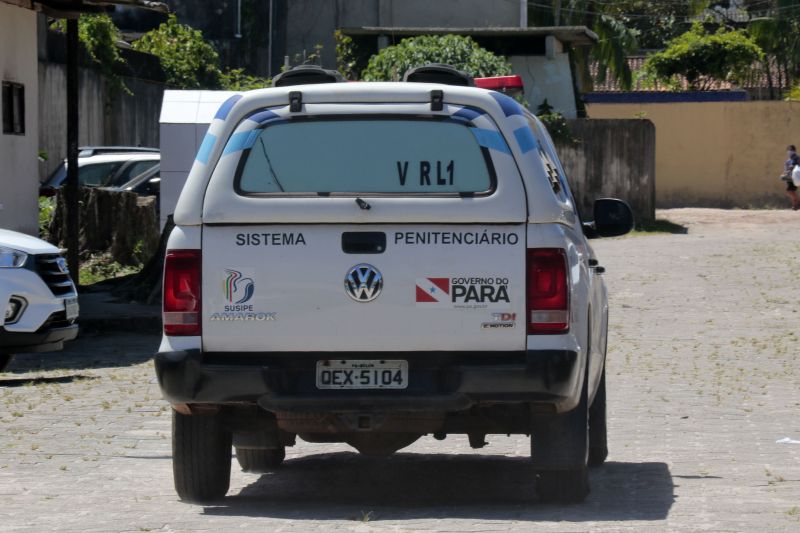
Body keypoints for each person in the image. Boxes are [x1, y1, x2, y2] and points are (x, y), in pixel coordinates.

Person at [780, 145, 800, 211]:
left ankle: (796, 204)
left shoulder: (797, 158)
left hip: (796, 177)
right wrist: (784, 175)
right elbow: (786, 170)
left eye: (791, 150)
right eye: (789, 150)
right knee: (790, 191)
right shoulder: (787, 161)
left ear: (794, 151)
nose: (789, 152)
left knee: (790, 190)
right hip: (790, 178)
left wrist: (791, 168)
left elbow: (794, 166)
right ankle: (796, 204)